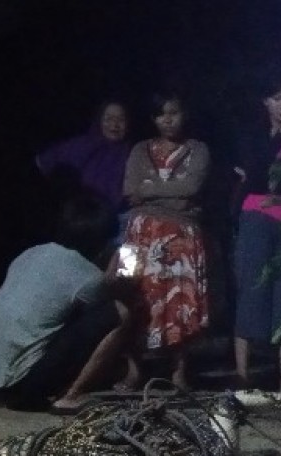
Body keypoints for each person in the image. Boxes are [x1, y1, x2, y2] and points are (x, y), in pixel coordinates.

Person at [0, 193, 136, 413]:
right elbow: (110, 305)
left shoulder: (30, 253)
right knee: (120, 313)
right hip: (25, 383)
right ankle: (71, 396)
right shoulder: (87, 276)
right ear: (101, 242)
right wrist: (115, 270)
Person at [111, 90, 211, 390]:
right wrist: (171, 192)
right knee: (131, 294)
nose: (167, 120)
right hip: (137, 232)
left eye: (173, 113)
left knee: (180, 302)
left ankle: (179, 370)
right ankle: (133, 370)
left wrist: (150, 190)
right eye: (160, 114)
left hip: (182, 233)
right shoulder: (140, 149)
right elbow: (130, 189)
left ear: (184, 114)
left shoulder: (198, 149)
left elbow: (192, 188)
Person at [232, 70, 281, 393]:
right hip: (256, 216)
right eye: (277, 99)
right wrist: (277, 139)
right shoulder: (253, 134)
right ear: (266, 102)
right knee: (251, 289)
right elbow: (254, 175)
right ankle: (242, 375)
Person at [37, 101, 131, 210]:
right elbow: (43, 162)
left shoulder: (134, 153)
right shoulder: (79, 145)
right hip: (77, 214)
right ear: (99, 121)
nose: (114, 124)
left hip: (116, 216)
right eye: (108, 119)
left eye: (121, 119)